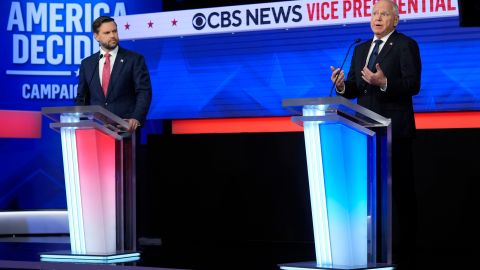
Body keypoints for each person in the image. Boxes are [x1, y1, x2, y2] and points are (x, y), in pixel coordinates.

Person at [330, 0, 421, 269]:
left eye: (384, 14)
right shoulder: (360, 49)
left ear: (395, 20)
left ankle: (407, 253)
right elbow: (357, 88)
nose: (377, 18)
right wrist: (343, 85)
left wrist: (385, 83)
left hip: (396, 131)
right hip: (366, 131)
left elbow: (413, 84)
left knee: (401, 193)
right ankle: (374, 250)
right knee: (370, 194)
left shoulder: (405, 45)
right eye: (374, 13)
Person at [76, 16, 152, 132]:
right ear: (96, 36)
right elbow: (82, 98)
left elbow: (144, 92)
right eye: (107, 33)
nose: (112, 35)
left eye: (114, 31)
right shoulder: (87, 64)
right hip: (95, 129)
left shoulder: (134, 59)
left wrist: (136, 118)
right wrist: (81, 121)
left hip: (125, 128)